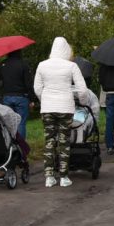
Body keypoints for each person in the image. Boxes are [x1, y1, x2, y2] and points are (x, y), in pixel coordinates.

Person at [33, 37, 88, 187]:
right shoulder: (72, 66)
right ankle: (64, 177)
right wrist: (83, 102)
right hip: (66, 107)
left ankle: (49, 177)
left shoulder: (42, 65)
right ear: (66, 50)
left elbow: (37, 88)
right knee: (64, 142)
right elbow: (82, 89)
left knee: (49, 141)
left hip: (47, 108)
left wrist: (44, 99)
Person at [0, 48, 33, 141]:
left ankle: (10, 144)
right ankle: (21, 145)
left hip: (7, 97)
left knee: (9, 122)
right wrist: (32, 98)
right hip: (21, 97)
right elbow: (28, 83)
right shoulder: (23, 64)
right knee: (20, 122)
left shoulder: (3, 64)